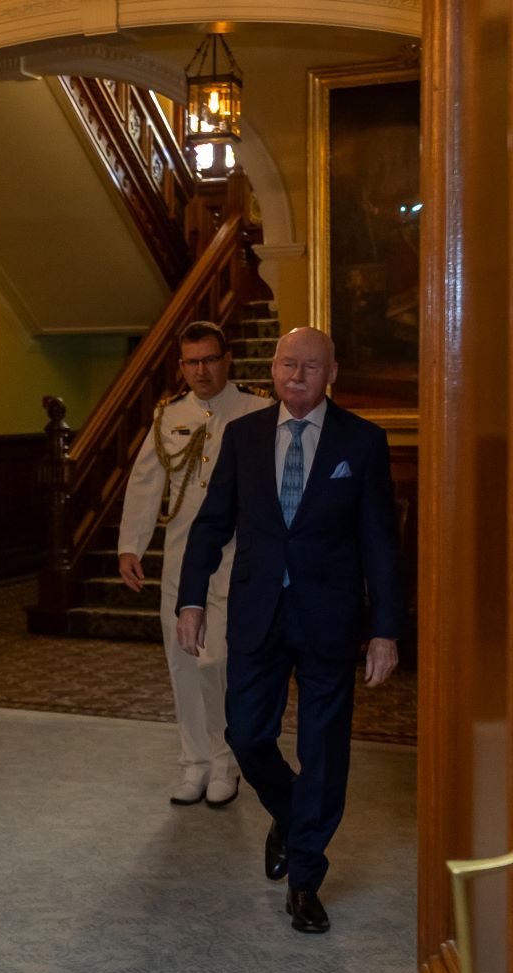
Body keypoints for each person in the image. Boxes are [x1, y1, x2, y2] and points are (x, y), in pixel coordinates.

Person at [175, 326, 402, 935]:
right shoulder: (244, 436)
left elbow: (381, 542)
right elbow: (211, 521)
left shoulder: (363, 441)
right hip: (258, 613)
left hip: (330, 618)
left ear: (332, 373)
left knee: (323, 749)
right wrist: (190, 598)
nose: (295, 375)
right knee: (246, 735)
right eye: (285, 364)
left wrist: (386, 627)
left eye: (309, 366)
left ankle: (305, 879)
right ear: (271, 370)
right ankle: (293, 812)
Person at [116, 321, 267, 808]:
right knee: (182, 663)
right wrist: (130, 546)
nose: (201, 371)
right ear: (181, 366)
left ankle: (226, 761)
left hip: (236, 560)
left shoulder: (258, 410)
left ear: (227, 360)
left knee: (217, 660)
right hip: (182, 560)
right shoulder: (170, 415)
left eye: (209, 360)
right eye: (191, 362)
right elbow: (145, 483)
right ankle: (193, 763)